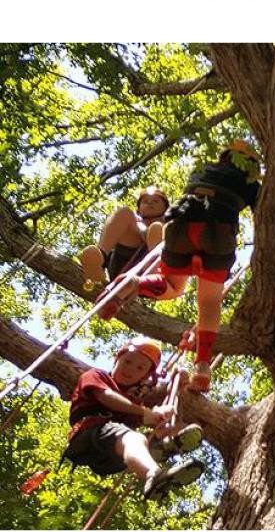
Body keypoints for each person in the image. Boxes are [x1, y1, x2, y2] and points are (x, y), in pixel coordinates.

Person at [97, 141, 262, 392]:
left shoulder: (203, 168)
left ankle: (134, 282)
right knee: (208, 302)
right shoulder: (251, 181)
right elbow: (266, 217)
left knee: (172, 284)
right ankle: (203, 365)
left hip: (179, 225)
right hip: (217, 230)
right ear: (250, 164)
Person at [63, 337, 205, 501]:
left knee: (159, 431)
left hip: (111, 459)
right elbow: (107, 397)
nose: (131, 369)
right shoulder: (97, 376)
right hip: (89, 435)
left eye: (140, 368)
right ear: (117, 359)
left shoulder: (135, 402)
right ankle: (154, 474)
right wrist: (145, 413)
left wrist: (175, 387)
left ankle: (162, 446)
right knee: (133, 437)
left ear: (144, 375)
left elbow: (146, 417)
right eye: (128, 361)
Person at [79, 187, 169, 288]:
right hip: (121, 265)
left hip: (146, 272)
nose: (150, 203)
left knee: (157, 228)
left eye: (155, 201)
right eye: (145, 201)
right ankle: (100, 260)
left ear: (165, 208)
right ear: (139, 209)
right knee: (124, 212)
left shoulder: (169, 227)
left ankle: (153, 275)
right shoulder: (132, 222)